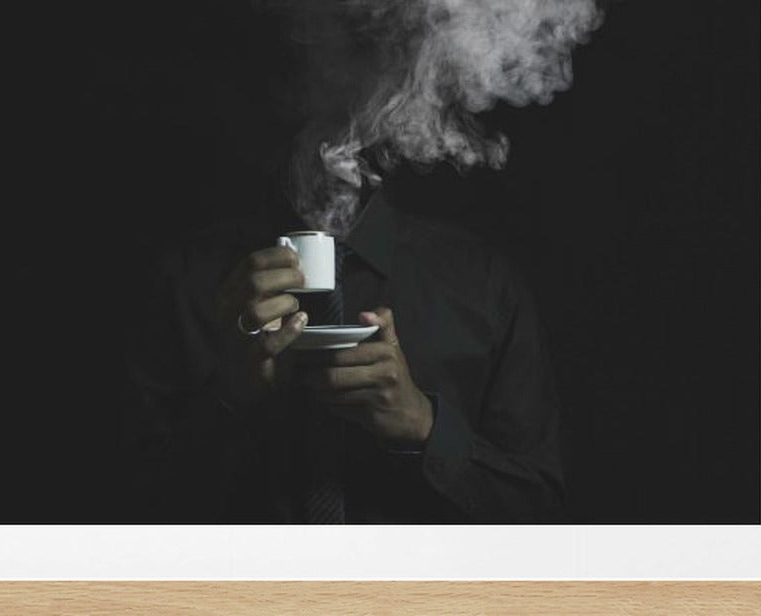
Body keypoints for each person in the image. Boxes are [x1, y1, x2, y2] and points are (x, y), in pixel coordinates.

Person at [126, 182, 565, 523]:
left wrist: (423, 426)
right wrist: (228, 395)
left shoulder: (483, 283)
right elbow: (124, 515)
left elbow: (540, 516)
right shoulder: (187, 280)